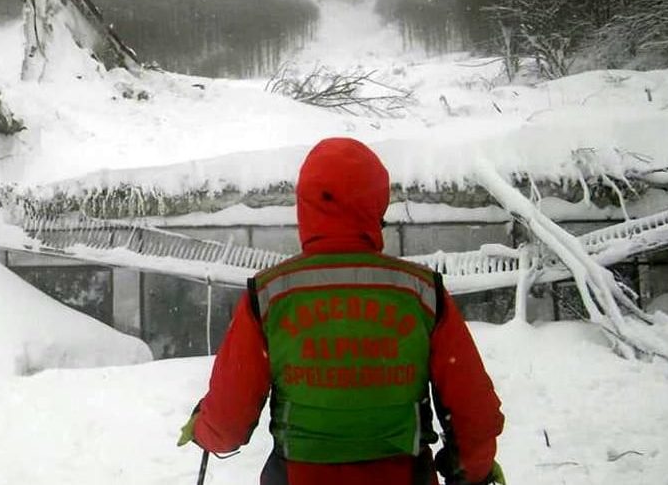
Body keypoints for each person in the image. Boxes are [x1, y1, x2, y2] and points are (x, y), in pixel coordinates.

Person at [177, 137, 505, 485]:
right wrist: (472, 470)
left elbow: (228, 422)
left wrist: (205, 428)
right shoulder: (421, 293)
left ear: (305, 205)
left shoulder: (270, 295)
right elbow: (474, 415)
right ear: (376, 203)